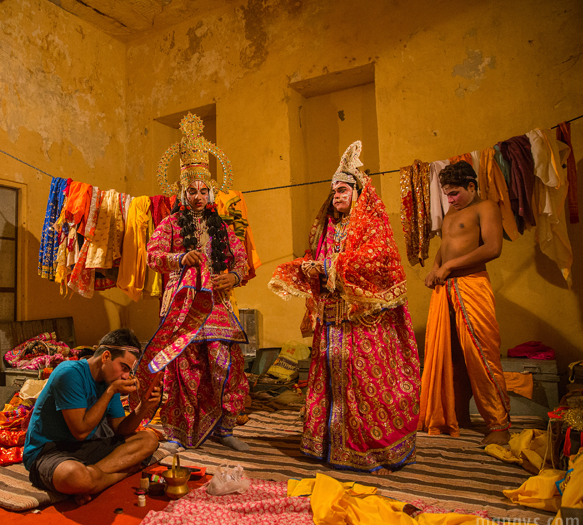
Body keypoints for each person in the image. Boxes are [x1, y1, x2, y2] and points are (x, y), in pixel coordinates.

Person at [269, 141, 421, 474]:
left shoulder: (371, 227)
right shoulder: (326, 227)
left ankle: (366, 450)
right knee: (328, 382)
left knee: (364, 388)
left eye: (343, 189)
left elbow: (377, 263)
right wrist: (309, 269)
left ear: (358, 192)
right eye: (334, 191)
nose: (337, 195)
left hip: (362, 322)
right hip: (330, 321)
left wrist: (331, 267)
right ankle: (328, 447)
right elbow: (320, 260)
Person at [129, 113, 251, 452]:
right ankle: (179, 430)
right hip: (182, 304)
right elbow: (152, 255)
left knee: (221, 361)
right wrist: (179, 259)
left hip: (216, 304)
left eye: (203, 190)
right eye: (191, 191)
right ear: (183, 192)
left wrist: (235, 276)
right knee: (182, 366)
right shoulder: (169, 224)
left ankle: (224, 427)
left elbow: (242, 260)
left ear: (210, 191)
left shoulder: (223, 227)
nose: (197, 196)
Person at [419, 160, 510, 445]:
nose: (450, 199)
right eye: (447, 194)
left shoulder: (486, 208)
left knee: (481, 355)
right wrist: (436, 268)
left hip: (472, 285)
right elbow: (445, 246)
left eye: (455, 192)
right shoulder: (451, 212)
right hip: (445, 288)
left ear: (471, 186)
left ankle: (499, 425)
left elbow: (493, 248)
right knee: (449, 354)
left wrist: (450, 267)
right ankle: (454, 415)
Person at [23, 329, 161, 505]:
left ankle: (93, 478)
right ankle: (117, 474)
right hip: (48, 452)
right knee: (76, 476)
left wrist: (143, 408)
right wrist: (111, 391)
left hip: (84, 448)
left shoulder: (109, 380)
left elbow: (120, 430)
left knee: (149, 439)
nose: (126, 376)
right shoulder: (69, 373)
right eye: (123, 367)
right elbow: (80, 432)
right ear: (105, 357)